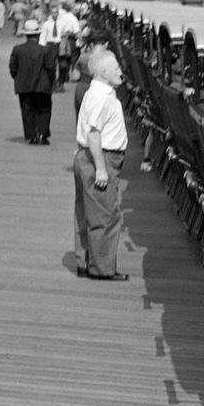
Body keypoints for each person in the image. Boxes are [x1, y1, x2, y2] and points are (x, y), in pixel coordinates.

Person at [72, 48, 130, 280]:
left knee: (85, 212)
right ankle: (102, 268)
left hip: (90, 157)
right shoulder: (100, 97)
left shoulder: (97, 93)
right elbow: (94, 134)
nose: (120, 71)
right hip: (100, 157)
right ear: (104, 71)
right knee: (105, 216)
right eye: (116, 68)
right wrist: (101, 169)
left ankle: (85, 261)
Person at [8, 18, 54, 144]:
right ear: (38, 34)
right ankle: (43, 135)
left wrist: (17, 78)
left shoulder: (17, 49)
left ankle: (32, 136)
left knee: (27, 110)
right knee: (44, 109)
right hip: (43, 85)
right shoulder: (45, 50)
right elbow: (50, 68)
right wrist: (51, 82)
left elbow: (13, 67)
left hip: (24, 85)